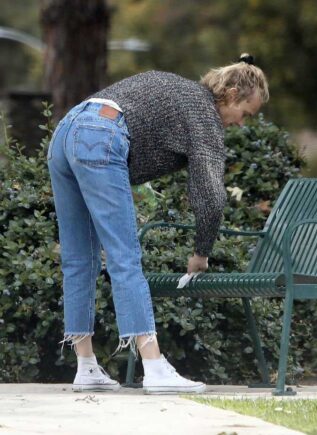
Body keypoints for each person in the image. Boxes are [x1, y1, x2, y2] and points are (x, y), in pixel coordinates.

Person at [47, 53, 269, 394]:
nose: (241, 124)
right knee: (125, 256)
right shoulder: (203, 113)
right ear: (232, 93)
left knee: (78, 259)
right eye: (245, 114)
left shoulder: (182, 93)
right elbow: (210, 194)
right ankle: (153, 366)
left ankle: (86, 365)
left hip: (66, 131)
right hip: (101, 133)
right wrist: (201, 253)